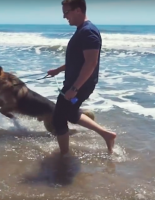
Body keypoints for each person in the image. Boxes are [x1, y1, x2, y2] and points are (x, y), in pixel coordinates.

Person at [47, 0, 116, 156]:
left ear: (78, 10)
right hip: (76, 84)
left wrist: (74, 88)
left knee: (58, 119)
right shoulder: (82, 30)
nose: (65, 17)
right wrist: (58, 70)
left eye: (66, 13)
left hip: (79, 85)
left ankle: (63, 155)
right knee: (71, 113)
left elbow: (91, 63)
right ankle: (107, 135)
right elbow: (78, 60)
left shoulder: (88, 32)